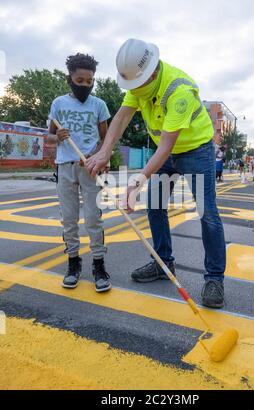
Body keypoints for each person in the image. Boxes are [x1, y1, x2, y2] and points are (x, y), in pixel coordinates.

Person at [86, 39, 226, 309]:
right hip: (168, 152)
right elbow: (122, 117)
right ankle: (163, 263)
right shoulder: (138, 84)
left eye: (137, 86)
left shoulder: (179, 90)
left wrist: (136, 182)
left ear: (151, 73)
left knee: (207, 213)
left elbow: (165, 148)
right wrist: (104, 151)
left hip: (195, 151)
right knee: (155, 206)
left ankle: (215, 279)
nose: (133, 91)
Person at [46, 53, 111, 293]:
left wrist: (98, 156)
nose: (85, 85)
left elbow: (106, 139)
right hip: (65, 167)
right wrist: (57, 137)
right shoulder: (58, 104)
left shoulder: (99, 105)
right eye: (80, 80)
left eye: (89, 81)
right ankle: (73, 263)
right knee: (69, 219)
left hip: (90, 168)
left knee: (94, 218)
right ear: (70, 78)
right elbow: (49, 138)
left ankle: (99, 265)